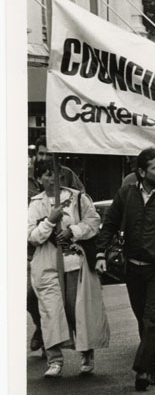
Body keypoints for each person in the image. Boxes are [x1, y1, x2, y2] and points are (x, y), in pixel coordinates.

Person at [96, 148, 155, 391]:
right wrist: (100, 253)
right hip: (134, 267)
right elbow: (109, 224)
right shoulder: (126, 194)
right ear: (141, 172)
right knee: (143, 318)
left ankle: (143, 369)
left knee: (154, 317)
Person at [28, 160, 109, 378]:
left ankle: (86, 354)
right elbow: (32, 237)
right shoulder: (35, 204)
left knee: (78, 311)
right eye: (46, 175)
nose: (52, 179)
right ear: (38, 179)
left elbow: (93, 223)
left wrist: (72, 231)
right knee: (51, 312)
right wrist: (50, 222)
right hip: (48, 266)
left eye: (55, 174)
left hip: (74, 263)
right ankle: (55, 360)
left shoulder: (78, 198)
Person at [27, 138, 86, 355]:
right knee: (30, 296)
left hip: (61, 251)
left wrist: (74, 228)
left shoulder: (67, 175)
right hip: (29, 251)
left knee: (70, 306)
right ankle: (44, 330)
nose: (45, 158)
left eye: (48, 154)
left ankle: (60, 341)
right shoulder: (23, 177)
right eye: (41, 154)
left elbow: (81, 203)